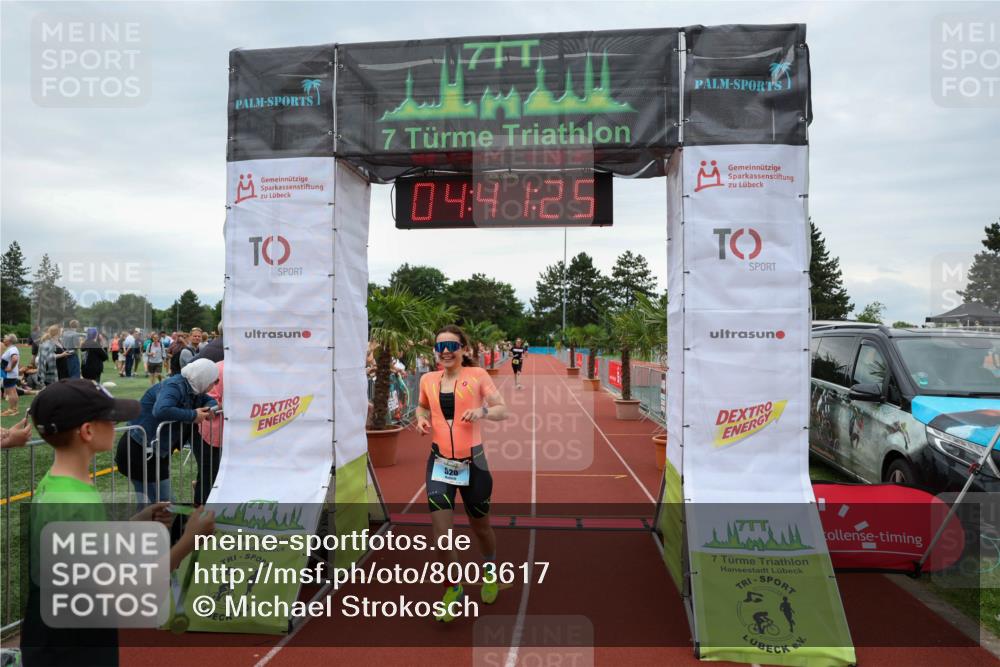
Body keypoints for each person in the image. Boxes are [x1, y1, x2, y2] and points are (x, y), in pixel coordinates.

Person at [20, 379, 216, 667]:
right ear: (87, 431)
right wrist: (188, 542)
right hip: (72, 645)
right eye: (111, 420)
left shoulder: (59, 484)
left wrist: (139, 519)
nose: (119, 426)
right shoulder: (75, 502)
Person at [415, 324, 508, 622]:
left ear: (463, 350)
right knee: (442, 537)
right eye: (440, 346)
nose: (446, 351)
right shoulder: (428, 380)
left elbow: (501, 409)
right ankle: (453, 588)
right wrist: (420, 419)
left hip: (474, 463)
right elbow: (421, 407)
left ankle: (490, 569)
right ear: (434, 350)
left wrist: (481, 412)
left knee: (480, 528)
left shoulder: (477, 376)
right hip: (440, 464)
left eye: (452, 346)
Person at [116, 358, 218, 505]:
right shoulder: (174, 385)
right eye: (214, 381)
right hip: (139, 451)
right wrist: (193, 415)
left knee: (154, 506)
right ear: (203, 378)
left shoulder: (194, 387)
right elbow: (161, 409)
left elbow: (210, 400)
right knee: (161, 506)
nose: (215, 385)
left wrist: (210, 408)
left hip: (154, 453)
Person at [196, 360, 224, 504]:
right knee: (208, 478)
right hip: (212, 435)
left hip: (234, 437)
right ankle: (199, 516)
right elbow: (207, 405)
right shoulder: (219, 369)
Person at [2, 334, 21, 416]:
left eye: (5, 339)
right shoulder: (12, 348)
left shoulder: (12, 349)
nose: (3, 340)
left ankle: (11, 409)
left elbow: (15, 359)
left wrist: (10, 368)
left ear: (9, 341)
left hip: (9, 374)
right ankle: (14, 409)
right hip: (11, 374)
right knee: (13, 391)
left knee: (10, 392)